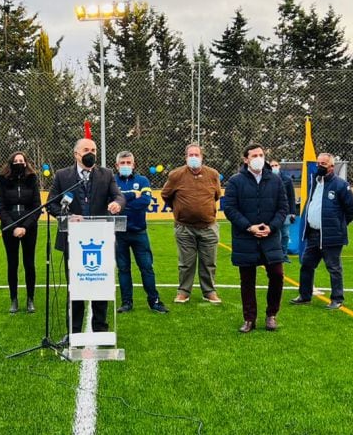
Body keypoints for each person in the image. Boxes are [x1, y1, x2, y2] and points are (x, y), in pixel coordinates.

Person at [46, 138, 124, 334]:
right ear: (76, 154)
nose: (92, 153)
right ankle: (73, 331)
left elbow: (119, 195)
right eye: (87, 149)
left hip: (101, 238)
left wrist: (117, 204)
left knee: (100, 284)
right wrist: (68, 217)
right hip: (73, 239)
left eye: (94, 150)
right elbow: (51, 204)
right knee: (75, 288)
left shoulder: (106, 174)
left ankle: (100, 330)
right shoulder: (62, 175)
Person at [223, 145, 289, 332]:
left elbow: (283, 208)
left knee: (277, 275)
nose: (259, 158)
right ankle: (249, 319)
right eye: (254, 155)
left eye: (261, 155)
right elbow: (230, 208)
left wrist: (272, 226)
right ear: (246, 159)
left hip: (270, 237)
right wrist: (249, 227)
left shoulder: (275, 181)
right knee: (247, 280)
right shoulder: (235, 181)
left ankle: (271, 315)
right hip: (245, 238)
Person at [291, 152, 353, 310]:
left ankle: (337, 298)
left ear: (332, 167)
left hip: (331, 235)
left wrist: (337, 226)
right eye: (318, 163)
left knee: (333, 267)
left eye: (323, 164)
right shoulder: (315, 182)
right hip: (313, 234)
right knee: (306, 265)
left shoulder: (340, 185)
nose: (319, 166)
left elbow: (351, 210)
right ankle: (305, 295)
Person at [161, 142, 223, 305]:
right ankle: (183, 291)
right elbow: (166, 195)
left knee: (209, 262)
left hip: (208, 227)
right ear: (186, 157)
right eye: (191, 155)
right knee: (186, 263)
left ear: (202, 157)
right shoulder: (176, 175)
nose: (194, 158)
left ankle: (209, 291)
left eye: (197, 155)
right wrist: (180, 209)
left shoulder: (213, 174)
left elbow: (216, 195)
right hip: (184, 228)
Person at [114, 151, 169, 314]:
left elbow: (145, 201)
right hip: (119, 233)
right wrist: (132, 197)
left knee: (146, 267)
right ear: (117, 166)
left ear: (133, 164)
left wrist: (122, 203)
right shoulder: (111, 181)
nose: (125, 166)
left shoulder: (142, 180)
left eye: (128, 163)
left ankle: (154, 301)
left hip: (139, 232)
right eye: (122, 163)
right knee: (123, 269)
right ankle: (126, 303)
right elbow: (109, 202)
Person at [0, 151, 41, 313]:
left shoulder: (32, 181)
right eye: (16, 161)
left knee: (29, 264)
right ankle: (13, 299)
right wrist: (13, 227)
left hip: (29, 227)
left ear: (26, 163)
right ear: (11, 163)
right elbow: (0, 208)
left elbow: (37, 207)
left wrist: (25, 227)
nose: (19, 163)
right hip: (9, 228)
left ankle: (30, 299)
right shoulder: (3, 182)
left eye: (22, 160)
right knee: (12, 264)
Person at [269, 158, 297, 263]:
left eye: (276, 165)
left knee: (285, 234)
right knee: (274, 235)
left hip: (285, 212)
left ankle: (284, 255)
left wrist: (293, 212)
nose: (274, 167)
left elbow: (291, 197)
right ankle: (275, 256)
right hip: (272, 212)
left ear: (279, 166)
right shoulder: (266, 179)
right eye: (272, 166)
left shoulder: (287, 179)